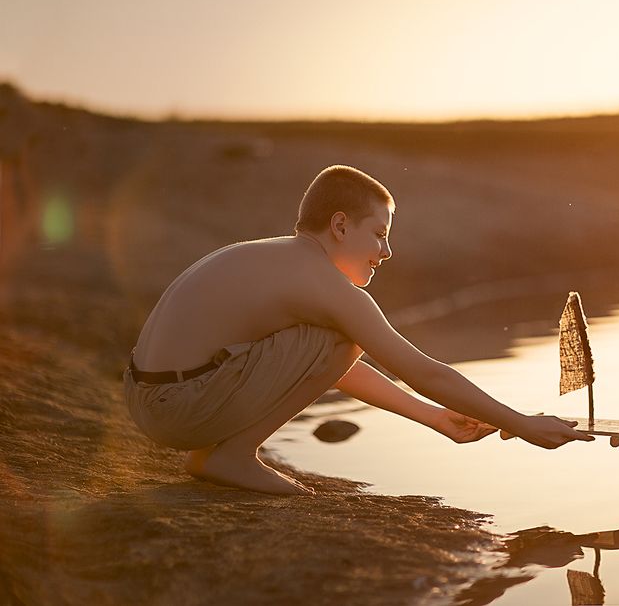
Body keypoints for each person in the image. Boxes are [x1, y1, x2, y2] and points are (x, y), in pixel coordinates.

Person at [123, 165, 593, 495]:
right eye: (380, 234)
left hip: (150, 399)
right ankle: (231, 457)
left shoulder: (279, 259)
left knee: (336, 340)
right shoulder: (321, 283)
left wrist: (434, 418)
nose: (386, 252)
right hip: (181, 407)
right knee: (345, 336)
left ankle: (222, 452)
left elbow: (321, 367)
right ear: (341, 226)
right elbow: (424, 372)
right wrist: (522, 423)